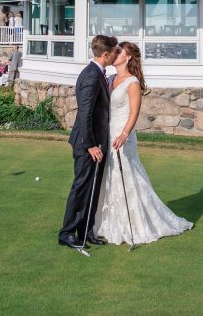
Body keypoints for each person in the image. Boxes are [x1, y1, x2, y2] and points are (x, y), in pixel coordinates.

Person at [94, 41, 192, 245]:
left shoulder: (132, 83)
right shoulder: (110, 78)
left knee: (127, 175)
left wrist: (124, 134)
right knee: (109, 175)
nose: (115, 53)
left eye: (119, 51)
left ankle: (136, 223)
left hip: (123, 136)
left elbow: (134, 112)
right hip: (108, 133)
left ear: (128, 57)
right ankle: (109, 221)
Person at [59, 35, 118, 252]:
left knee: (92, 187)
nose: (116, 55)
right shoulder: (91, 76)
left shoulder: (98, 73)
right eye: (114, 52)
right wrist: (90, 144)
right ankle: (67, 233)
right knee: (82, 187)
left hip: (96, 142)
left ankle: (86, 231)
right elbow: (84, 113)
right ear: (106, 54)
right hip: (87, 144)